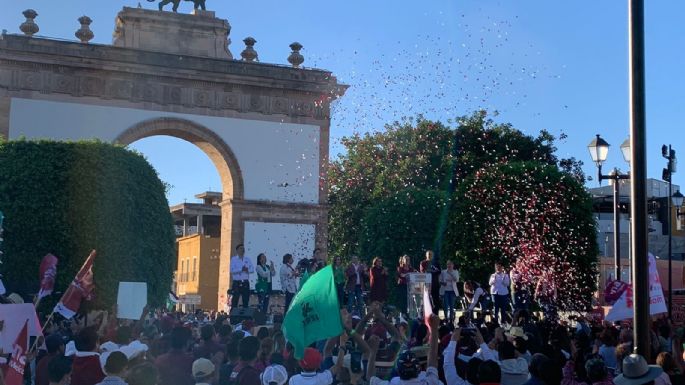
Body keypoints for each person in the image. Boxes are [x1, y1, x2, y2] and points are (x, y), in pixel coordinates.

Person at [230, 244, 254, 309]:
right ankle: (233, 316)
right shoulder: (234, 259)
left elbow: (252, 269)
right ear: (237, 250)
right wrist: (241, 269)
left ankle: (245, 315)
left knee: (246, 299)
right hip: (237, 282)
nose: (242, 250)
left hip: (245, 282)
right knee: (235, 299)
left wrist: (247, 270)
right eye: (241, 248)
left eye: (243, 249)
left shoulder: (247, 259)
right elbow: (232, 270)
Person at [420, 250, 442, 315]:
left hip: (435, 284)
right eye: (428, 254)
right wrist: (433, 271)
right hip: (426, 285)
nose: (430, 256)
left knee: (436, 301)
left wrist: (431, 271)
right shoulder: (423, 263)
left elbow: (439, 271)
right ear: (426, 255)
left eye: (431, 254)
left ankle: (436, 316)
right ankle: (428, 315)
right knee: (427, 301)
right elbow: (423, 271)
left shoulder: (436, 263)